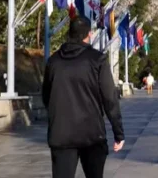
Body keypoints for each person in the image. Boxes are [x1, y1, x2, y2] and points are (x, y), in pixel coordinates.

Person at [42, 16, 125, 178]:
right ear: (89, 34)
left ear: (69, 34)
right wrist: (118, 133)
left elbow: (46, 96)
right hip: (92, 134)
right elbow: (110, 98)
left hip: (61, 135)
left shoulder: (53, 62)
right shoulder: (97, 60)